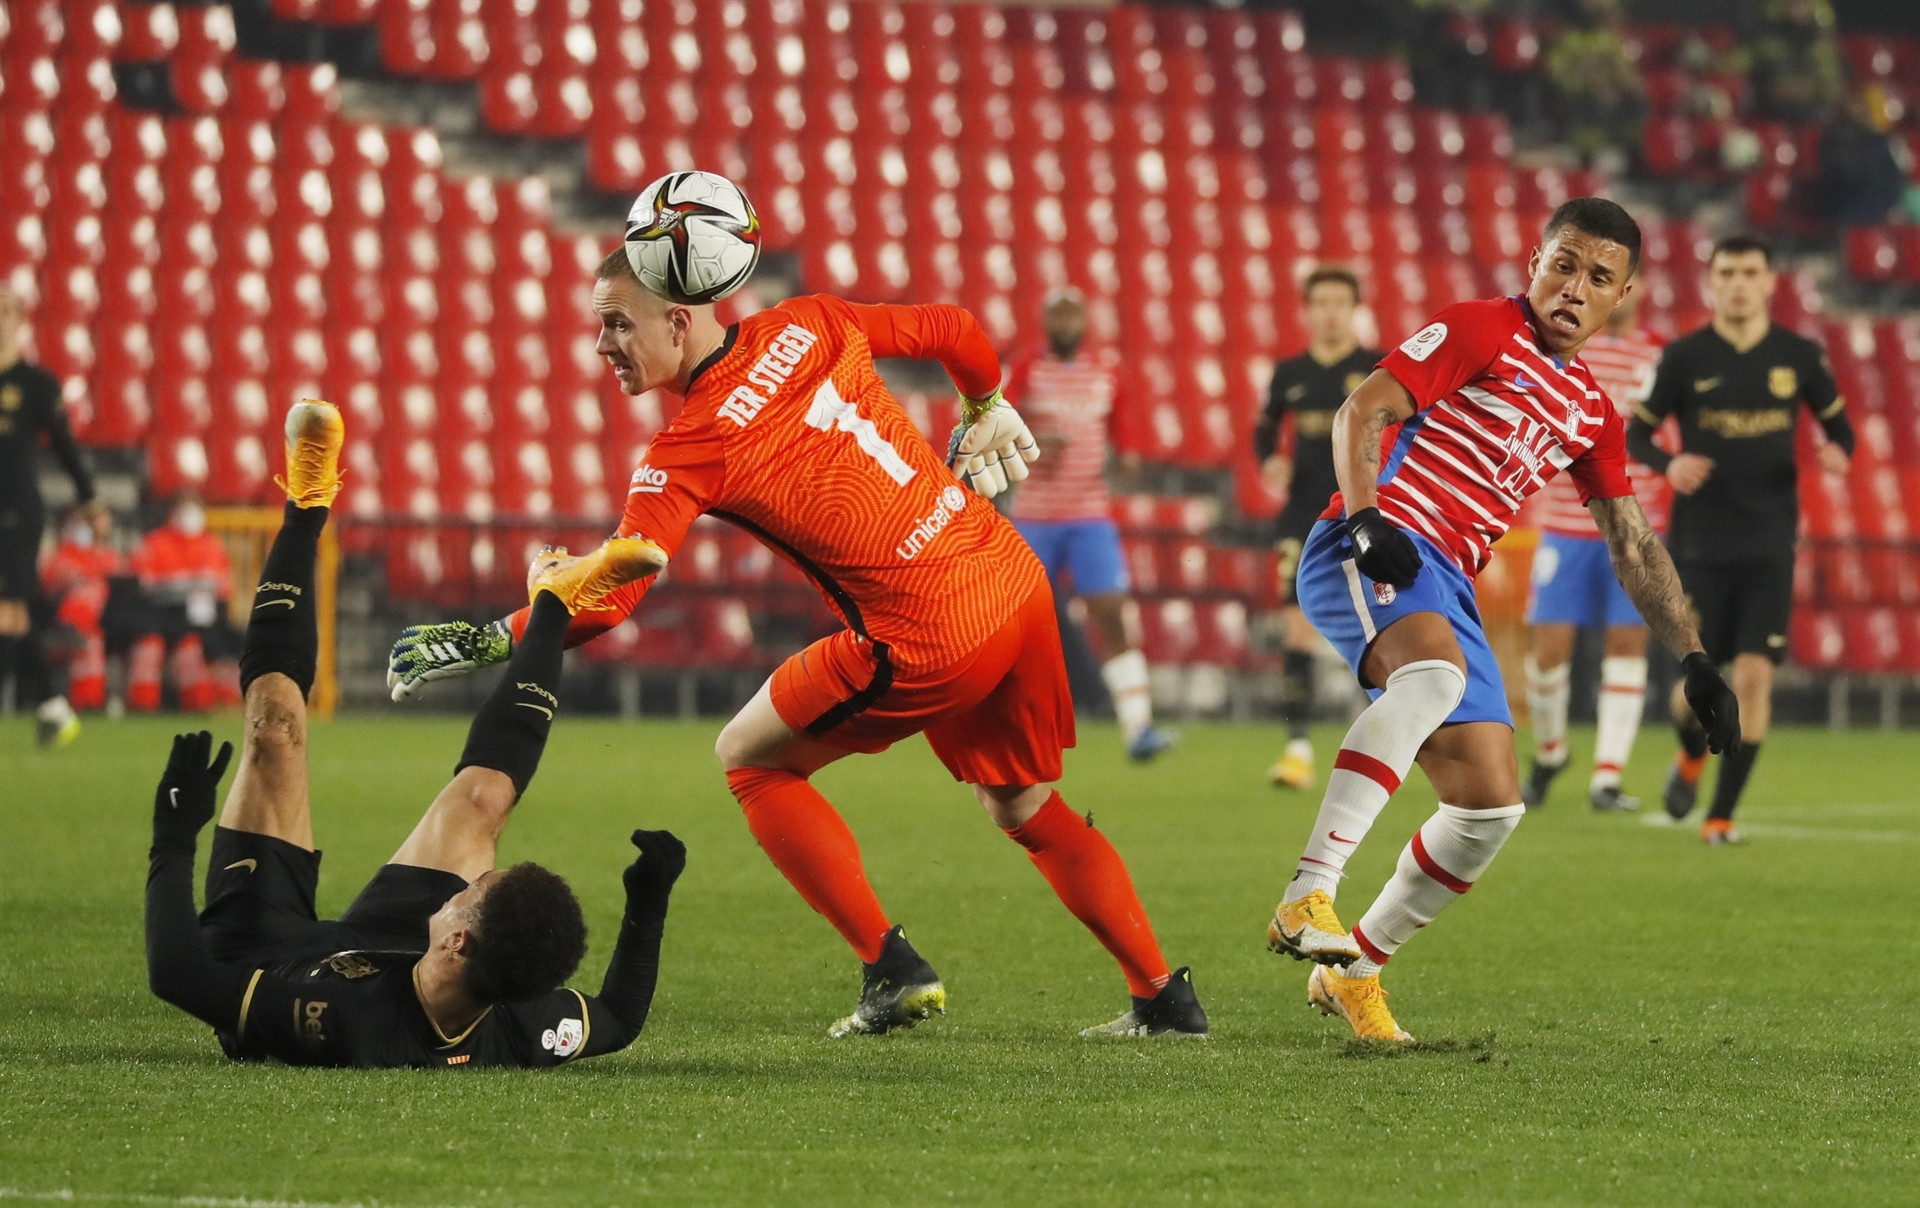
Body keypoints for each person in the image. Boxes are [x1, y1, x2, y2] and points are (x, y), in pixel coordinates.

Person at [388, 224, 1208, 1040]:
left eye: (617, 321)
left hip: (926, 632)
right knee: (1024, 804)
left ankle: (890, 968)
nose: (602, 343)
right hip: (1007, 578)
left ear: (679, 320)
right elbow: (957, 328)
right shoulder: (810, 319)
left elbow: (611, 596)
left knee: (749, 758)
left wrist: (487, 637)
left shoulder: (687, 446)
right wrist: (985, 404)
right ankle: (1163, 997)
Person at [1262, 198, 1740, 1042]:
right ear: (1534, 262)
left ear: (1622, 295)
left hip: (1447, 579)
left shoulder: (1590, 410)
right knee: (1432, 678)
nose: (1574, 288)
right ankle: (1309, 890)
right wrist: (1367, 519)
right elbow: (1361, 410)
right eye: (1564, 264)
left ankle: (1354, 972)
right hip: (1373, 541)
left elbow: (1630, 539)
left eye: (1598, 277)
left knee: (1488, 809)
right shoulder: (1483, 329)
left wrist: (1694, 657)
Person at [146, 399, 686, 1068]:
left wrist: (173, 839)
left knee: (274, 729)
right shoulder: (520, 1013)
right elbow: (617, 1018)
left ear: (459, 938)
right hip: (401, 948)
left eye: (469, 894)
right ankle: (554, 597)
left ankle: (307, 500)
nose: (462, 883)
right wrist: (648, 902)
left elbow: (178, 977)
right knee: (484, 802)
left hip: (268, 954)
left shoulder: (345, 1021)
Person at [1627, 234, 1852, 845]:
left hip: (1771, 544)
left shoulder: (1799, 356)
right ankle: (1691, 756)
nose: (1738, 283)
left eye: (1750, 272)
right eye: (1726, 272)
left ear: (1769, 280)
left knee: (1754, 676)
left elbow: (1843, 430)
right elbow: (1635, 436)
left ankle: (1720, 817)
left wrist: (1838, 453)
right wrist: (1669, 464)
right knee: (1696, 690)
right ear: (1712, 281)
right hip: (1699, 546)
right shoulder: (1684, 357)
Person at [1001, 288, 1174, 763]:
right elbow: (996, 418)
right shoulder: (1026, 367)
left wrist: (1130, 452)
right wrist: (1033, 441)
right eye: (1057, 315)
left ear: (1085, 321)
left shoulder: (1104, 369)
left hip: (1089, 514)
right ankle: (1009, 728)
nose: (1066, 323)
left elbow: (1121, 421)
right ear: (1044, 321)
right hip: (1034, 514)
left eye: (1072, 315)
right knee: (1017, 626)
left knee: (1112, 612)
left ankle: (1139, 728)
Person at [1519, 288, 1668, 812]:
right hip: (1565, 522)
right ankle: (1551, 750)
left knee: (1626, 649)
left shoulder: (1660, 357)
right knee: (1547, 652)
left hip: (1636, 530)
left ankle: (1607, 778)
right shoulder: (1566, 349)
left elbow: (1670, 441)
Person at [1253, 266, 1383, 788]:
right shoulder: (1289, 373)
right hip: (1303, 517)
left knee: (1380, 631)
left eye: (1339, 301)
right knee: (1297, 629)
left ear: (1354, 309)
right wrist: (1269, 460)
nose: (1330, 311)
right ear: (1308, 311)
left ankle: (1381, 743)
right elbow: (1265, 426)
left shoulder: (1376, 369)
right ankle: (1298, 750)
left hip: (1364, 513)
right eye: (1321, 302)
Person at [0, 283, 97, 747]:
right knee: (12, 616)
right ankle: (52, 707)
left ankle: (49, 707)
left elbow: (65, 446)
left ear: (21, 321)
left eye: (6, 312)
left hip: (17, 510)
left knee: (9, 611)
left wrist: (91, 499)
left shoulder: (37, 383)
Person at [127, 493, 239, 712]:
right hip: (157, 617)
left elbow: (223, 587)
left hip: (198, 620)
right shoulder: (154, 543)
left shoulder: (212, 546)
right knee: (149, 649)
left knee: (192, 652)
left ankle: (195, 707)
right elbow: (143, 584)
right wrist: (188, 584)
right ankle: (142, 707)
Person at [40, 504, 123, 712]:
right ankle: (87, 703)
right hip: (60, 624)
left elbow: (122, 581)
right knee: (89, 642)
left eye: (85, 522)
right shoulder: (59, 556)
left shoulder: (106, 555)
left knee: (91, 639)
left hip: (108, 622)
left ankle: (90, 701)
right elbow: (50, 584)